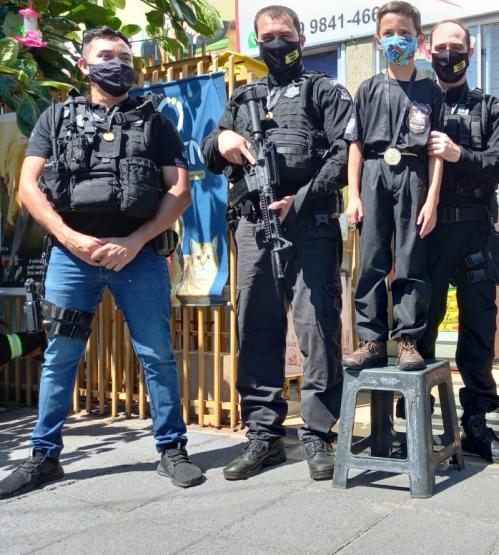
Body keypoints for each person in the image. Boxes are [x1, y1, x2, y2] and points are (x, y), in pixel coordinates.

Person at [2, 27, 202, 498]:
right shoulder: (55, 118)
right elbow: (28, 188)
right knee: (60, 357)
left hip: (139, 257)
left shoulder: (156, 121)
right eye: (107, 56)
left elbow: (180, 191)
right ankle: (44, 456)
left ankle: (172, 449)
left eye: (124, 56)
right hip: (72, 258)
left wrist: (134, 241)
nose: (118, 64)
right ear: (85, 66)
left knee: (156, 355)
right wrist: (70, 238)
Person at [202, 6, 353, 481]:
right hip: (254, 226)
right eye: (267, 38)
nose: (276, 45)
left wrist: (302, 199)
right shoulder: (244, 96)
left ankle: (317, 435)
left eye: (284, 36)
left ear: (302, 38)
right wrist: (222, 138)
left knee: (317, 330)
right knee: (257, 329)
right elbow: (208, 153)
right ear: (256, 42)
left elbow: (346, 154)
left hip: (309, 226)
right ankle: (264, 435)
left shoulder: (325, 92)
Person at [417, 19, 499, 464]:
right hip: (428, 232)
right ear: (427, 49)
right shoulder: (415, 101)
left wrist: (461, 155)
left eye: (457, 47)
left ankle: (476, 422)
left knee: (478, 330)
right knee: (421, 324)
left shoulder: (489, 107)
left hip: (476, 228)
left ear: (471, 52)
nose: (449, 54)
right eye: (442, 47)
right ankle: (419, 420)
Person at [343, 1, 445, 371]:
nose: (396, 40)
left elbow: (436, 151)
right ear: (377, 40)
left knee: (410, 259)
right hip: (373, 171)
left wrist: (431, 198)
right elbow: (353, 145)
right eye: (389, 34)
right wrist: (353, 195)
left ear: (418, 40)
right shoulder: (368, 89)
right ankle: (371, 339)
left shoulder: (430, 91)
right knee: (371, 259)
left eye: (404, 33)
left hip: (414, 174)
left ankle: (407, 340)